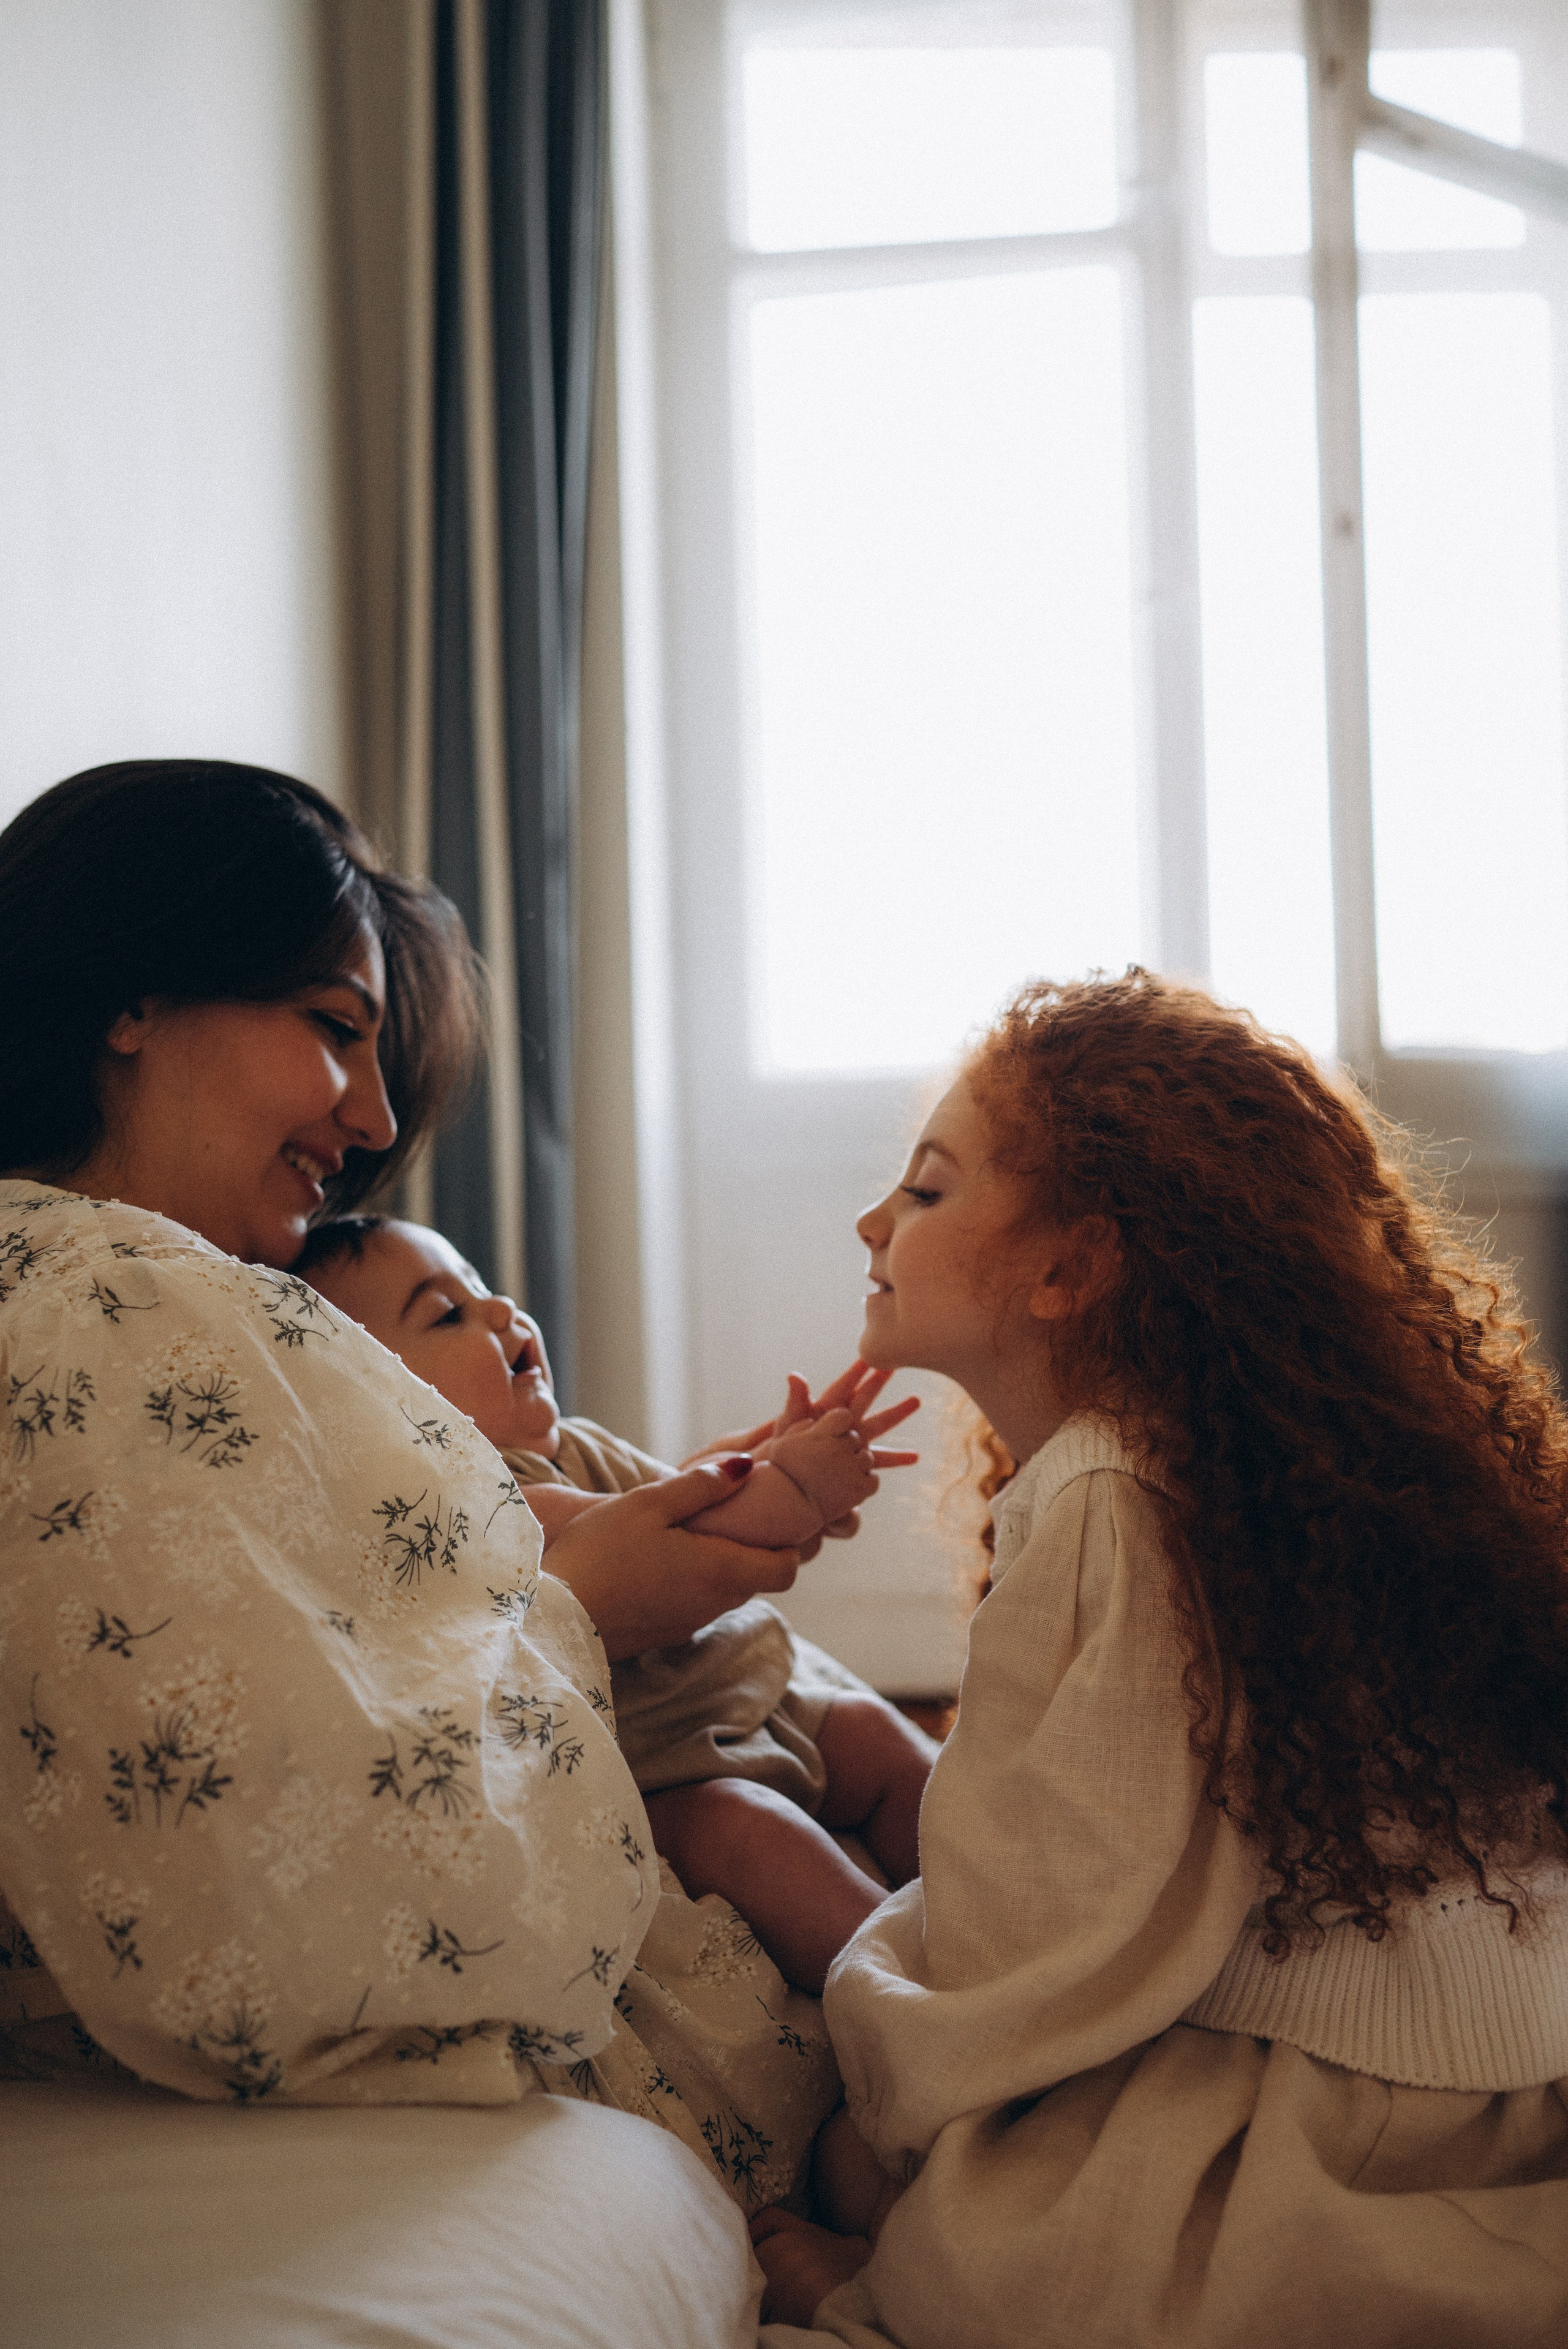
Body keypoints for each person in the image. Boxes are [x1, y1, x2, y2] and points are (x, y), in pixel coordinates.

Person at [0, 760, 839, 2214]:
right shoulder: (105, 1298)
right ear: (133, 994)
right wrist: (582, 1602)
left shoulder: (142, 1290)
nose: (377, 1118)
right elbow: (277, 1866)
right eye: (335, 1027)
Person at [754, 971, 1568, 2347]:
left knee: (914, 2200)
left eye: (929, 1192)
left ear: (1070, 1268)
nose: (871, 1221)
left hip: (1380, 2096)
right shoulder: (1202, 1479)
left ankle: (873, 2283)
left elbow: (1049, 1934)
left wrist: (871, 2027)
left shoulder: (1103, 1498)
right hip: (1497, 2049)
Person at [295, 1214, 938, 1992]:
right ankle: (910, 2000)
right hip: (663, 1770)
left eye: (483, 1287)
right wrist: (794, 1489)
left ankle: (1005, 1902)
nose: (501, 1311)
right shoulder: (477, 1499)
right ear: (378, 1410)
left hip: (748, 1704)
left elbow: (686, 1483)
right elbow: (679, 1525)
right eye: (448, 1313)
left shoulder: (576, 1442)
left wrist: (770, 1456)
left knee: (875, 1735)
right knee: (750, 1833)